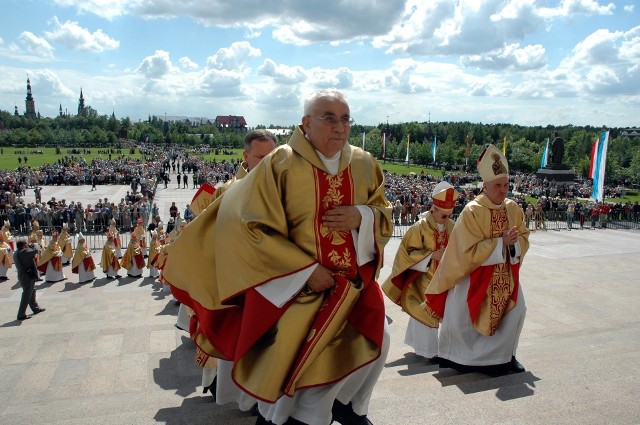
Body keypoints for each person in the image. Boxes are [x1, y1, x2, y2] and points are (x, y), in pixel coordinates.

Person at [164, 89, 393, 425]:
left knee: (378, 339)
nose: (340, 128)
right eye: (329, 118)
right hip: (295, 288)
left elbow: (382, 210)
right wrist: (306, 271)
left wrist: (363, 216)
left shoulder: (363, 163)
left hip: (350, 285)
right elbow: (252, 227)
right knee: (301, 360)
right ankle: (286, 418)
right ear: (306, 123)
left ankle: (344, 404)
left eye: (345, 119)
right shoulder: (280, 164)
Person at [426, 144, 530, 376]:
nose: (503, 190)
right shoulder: (472, 211)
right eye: (498, 186)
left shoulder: (513, 208)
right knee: (463, 314)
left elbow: (523, 236)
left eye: (506, 185)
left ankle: (507, 356)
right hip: (475, 273)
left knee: (517, 310)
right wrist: (499, 243)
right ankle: (465, 358)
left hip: (506, 273)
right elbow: (464, 250)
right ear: (485, 185)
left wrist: (513, 244)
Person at [382, 181, 459, 362]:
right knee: (425, 310)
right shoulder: (420, 227)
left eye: (449, 215)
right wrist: (431, 255)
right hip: (423, 276)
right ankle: (429, 351)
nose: (446, 219)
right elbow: (407, 252)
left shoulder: (452, 226)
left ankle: (421, 345)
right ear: (433, 210)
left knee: (436, 311)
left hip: (444, 277)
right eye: (443, 215)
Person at [14, 239, 45, 321]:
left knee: (31, 291)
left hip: (24, 275)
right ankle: (21, 314)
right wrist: (36, 246)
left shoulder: (17, 252)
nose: (27, 245)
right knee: (26, 295)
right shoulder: (23, 252)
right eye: (26, 244)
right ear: (23, 245)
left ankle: (35, 308)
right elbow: (35, 251)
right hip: (27, 276)